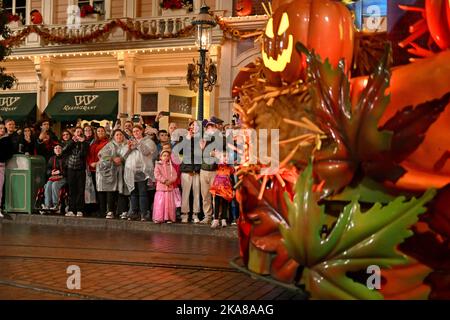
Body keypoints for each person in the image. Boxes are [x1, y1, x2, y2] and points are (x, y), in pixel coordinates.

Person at [124, 125, 157, 221]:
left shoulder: (148, 141)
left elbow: (147, 152)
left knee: (143, 193)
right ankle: (134, 212)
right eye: (134, 131)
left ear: (141, 131)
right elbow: (124, 156)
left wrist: (138, 144)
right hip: (131, 171)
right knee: (133, 193)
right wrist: (129, 148)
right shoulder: (129, 142)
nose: (135, 133)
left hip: (143, 171)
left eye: (137, 131)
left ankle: (144, 213)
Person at [97, 129, 130, 219]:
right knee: (111, 191)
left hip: (124, 170)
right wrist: (112, 158)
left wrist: (122, 159)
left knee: (122, 190)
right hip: (111, 171)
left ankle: (123, 211)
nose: (119, 136)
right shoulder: (110, 145)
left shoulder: (128, 144)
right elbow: (101, 155)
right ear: (114, 136)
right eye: (117, 135)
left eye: (121, 135)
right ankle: (110, 211)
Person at [176, 120, 202, 223]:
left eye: (196, 126)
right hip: (186, 170)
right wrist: (188, 138)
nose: (194, 128)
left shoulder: (201, 140)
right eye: (192, 125)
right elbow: (180, 151)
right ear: (189, 127)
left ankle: (195, 214)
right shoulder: (183, 138)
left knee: (196, 193)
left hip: (197, 170)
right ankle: (185, 214)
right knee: (185, 193)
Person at [63, 127, 89, 217]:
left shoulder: (85, 143)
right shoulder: (70, 142)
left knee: (80, 190)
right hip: (70, 169)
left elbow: (83, 154)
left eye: (80, 132)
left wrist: (82, 143)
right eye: (77, 132)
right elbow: (64, 150)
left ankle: (79, 210)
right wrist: (72, 142)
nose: (78, 133)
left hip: (80, 169)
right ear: (74, 133)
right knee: (71, 190)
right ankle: (71, 209)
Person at [199, 121, 219, 224]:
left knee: (216, 195)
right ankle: (207, 216)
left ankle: (217, 217)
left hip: (215, 171)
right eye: (208, 128)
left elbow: (220, 154)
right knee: (205, 195)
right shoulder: (202, 140)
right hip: (203, 170)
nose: (209, 130)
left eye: (212, 128)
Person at [210, 152, 235, 228]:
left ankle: (223, 219)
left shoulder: (230, 168)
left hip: (226, 187)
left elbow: (232, 178)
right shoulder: (217, 165)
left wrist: (233, 188)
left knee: (225, 203)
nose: (225, 158)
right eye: (224, 156)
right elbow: (212, 167)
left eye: (227, 156)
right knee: (216, 203)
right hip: (218, 187)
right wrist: (217, 159)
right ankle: (216, 219)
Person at [153, 149, 178, 223]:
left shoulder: (170, 166)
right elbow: (157, 175)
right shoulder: (158, 165)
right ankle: (159, 218)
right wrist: (164, 181)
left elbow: (175, 175)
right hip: (161, 188)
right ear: (160, 157)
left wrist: (170, 181)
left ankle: (169, 218)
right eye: (164, 155)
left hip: (169, 188)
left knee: (169, 204)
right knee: (160, 203)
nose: (166, 157)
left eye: (167, 156)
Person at [43, 144, 67, 211]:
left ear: (62, 150)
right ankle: (47, 205)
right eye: (56, 148)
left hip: (63, 177)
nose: (57, 149)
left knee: (55, 184)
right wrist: (51, 172)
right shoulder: (52, 158)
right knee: (48, 185)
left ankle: (56, 204)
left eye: (59, 148)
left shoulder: (65, 158)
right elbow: (47, 169)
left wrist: (60, 172)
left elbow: (67, 170)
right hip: (53, 177)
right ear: (54, 150)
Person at [0, 122, 14, 218]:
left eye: (2, 128)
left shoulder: (7, 140)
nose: (1, 130)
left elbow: (10, 153)